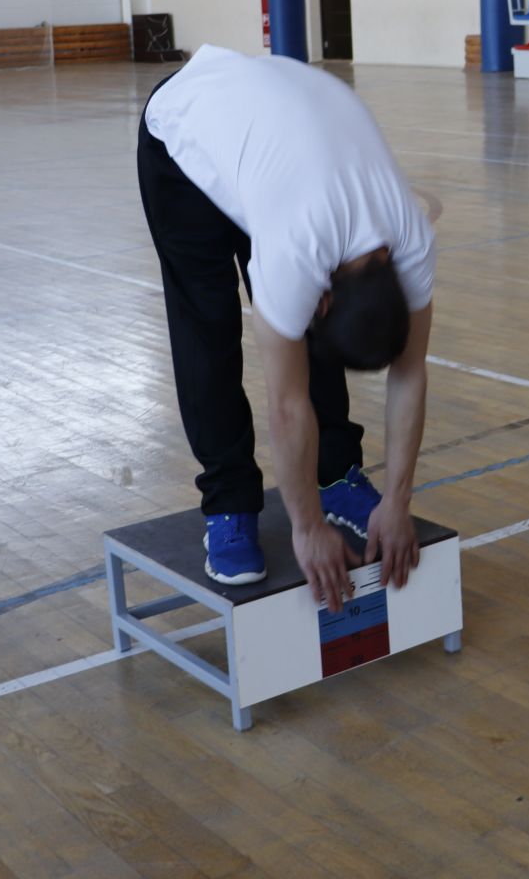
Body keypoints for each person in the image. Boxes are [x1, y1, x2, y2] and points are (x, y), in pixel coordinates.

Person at [136, 44, 435, 611]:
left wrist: (398, 499)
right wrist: (305, 529)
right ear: (323, 299)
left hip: (272, 145)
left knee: (308, 343)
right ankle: (229, 503)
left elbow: (411, 371)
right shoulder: (296, 252)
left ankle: (336, 474)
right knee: (209, 330)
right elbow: (286, 405)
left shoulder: (411, 239)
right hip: (184, 135)